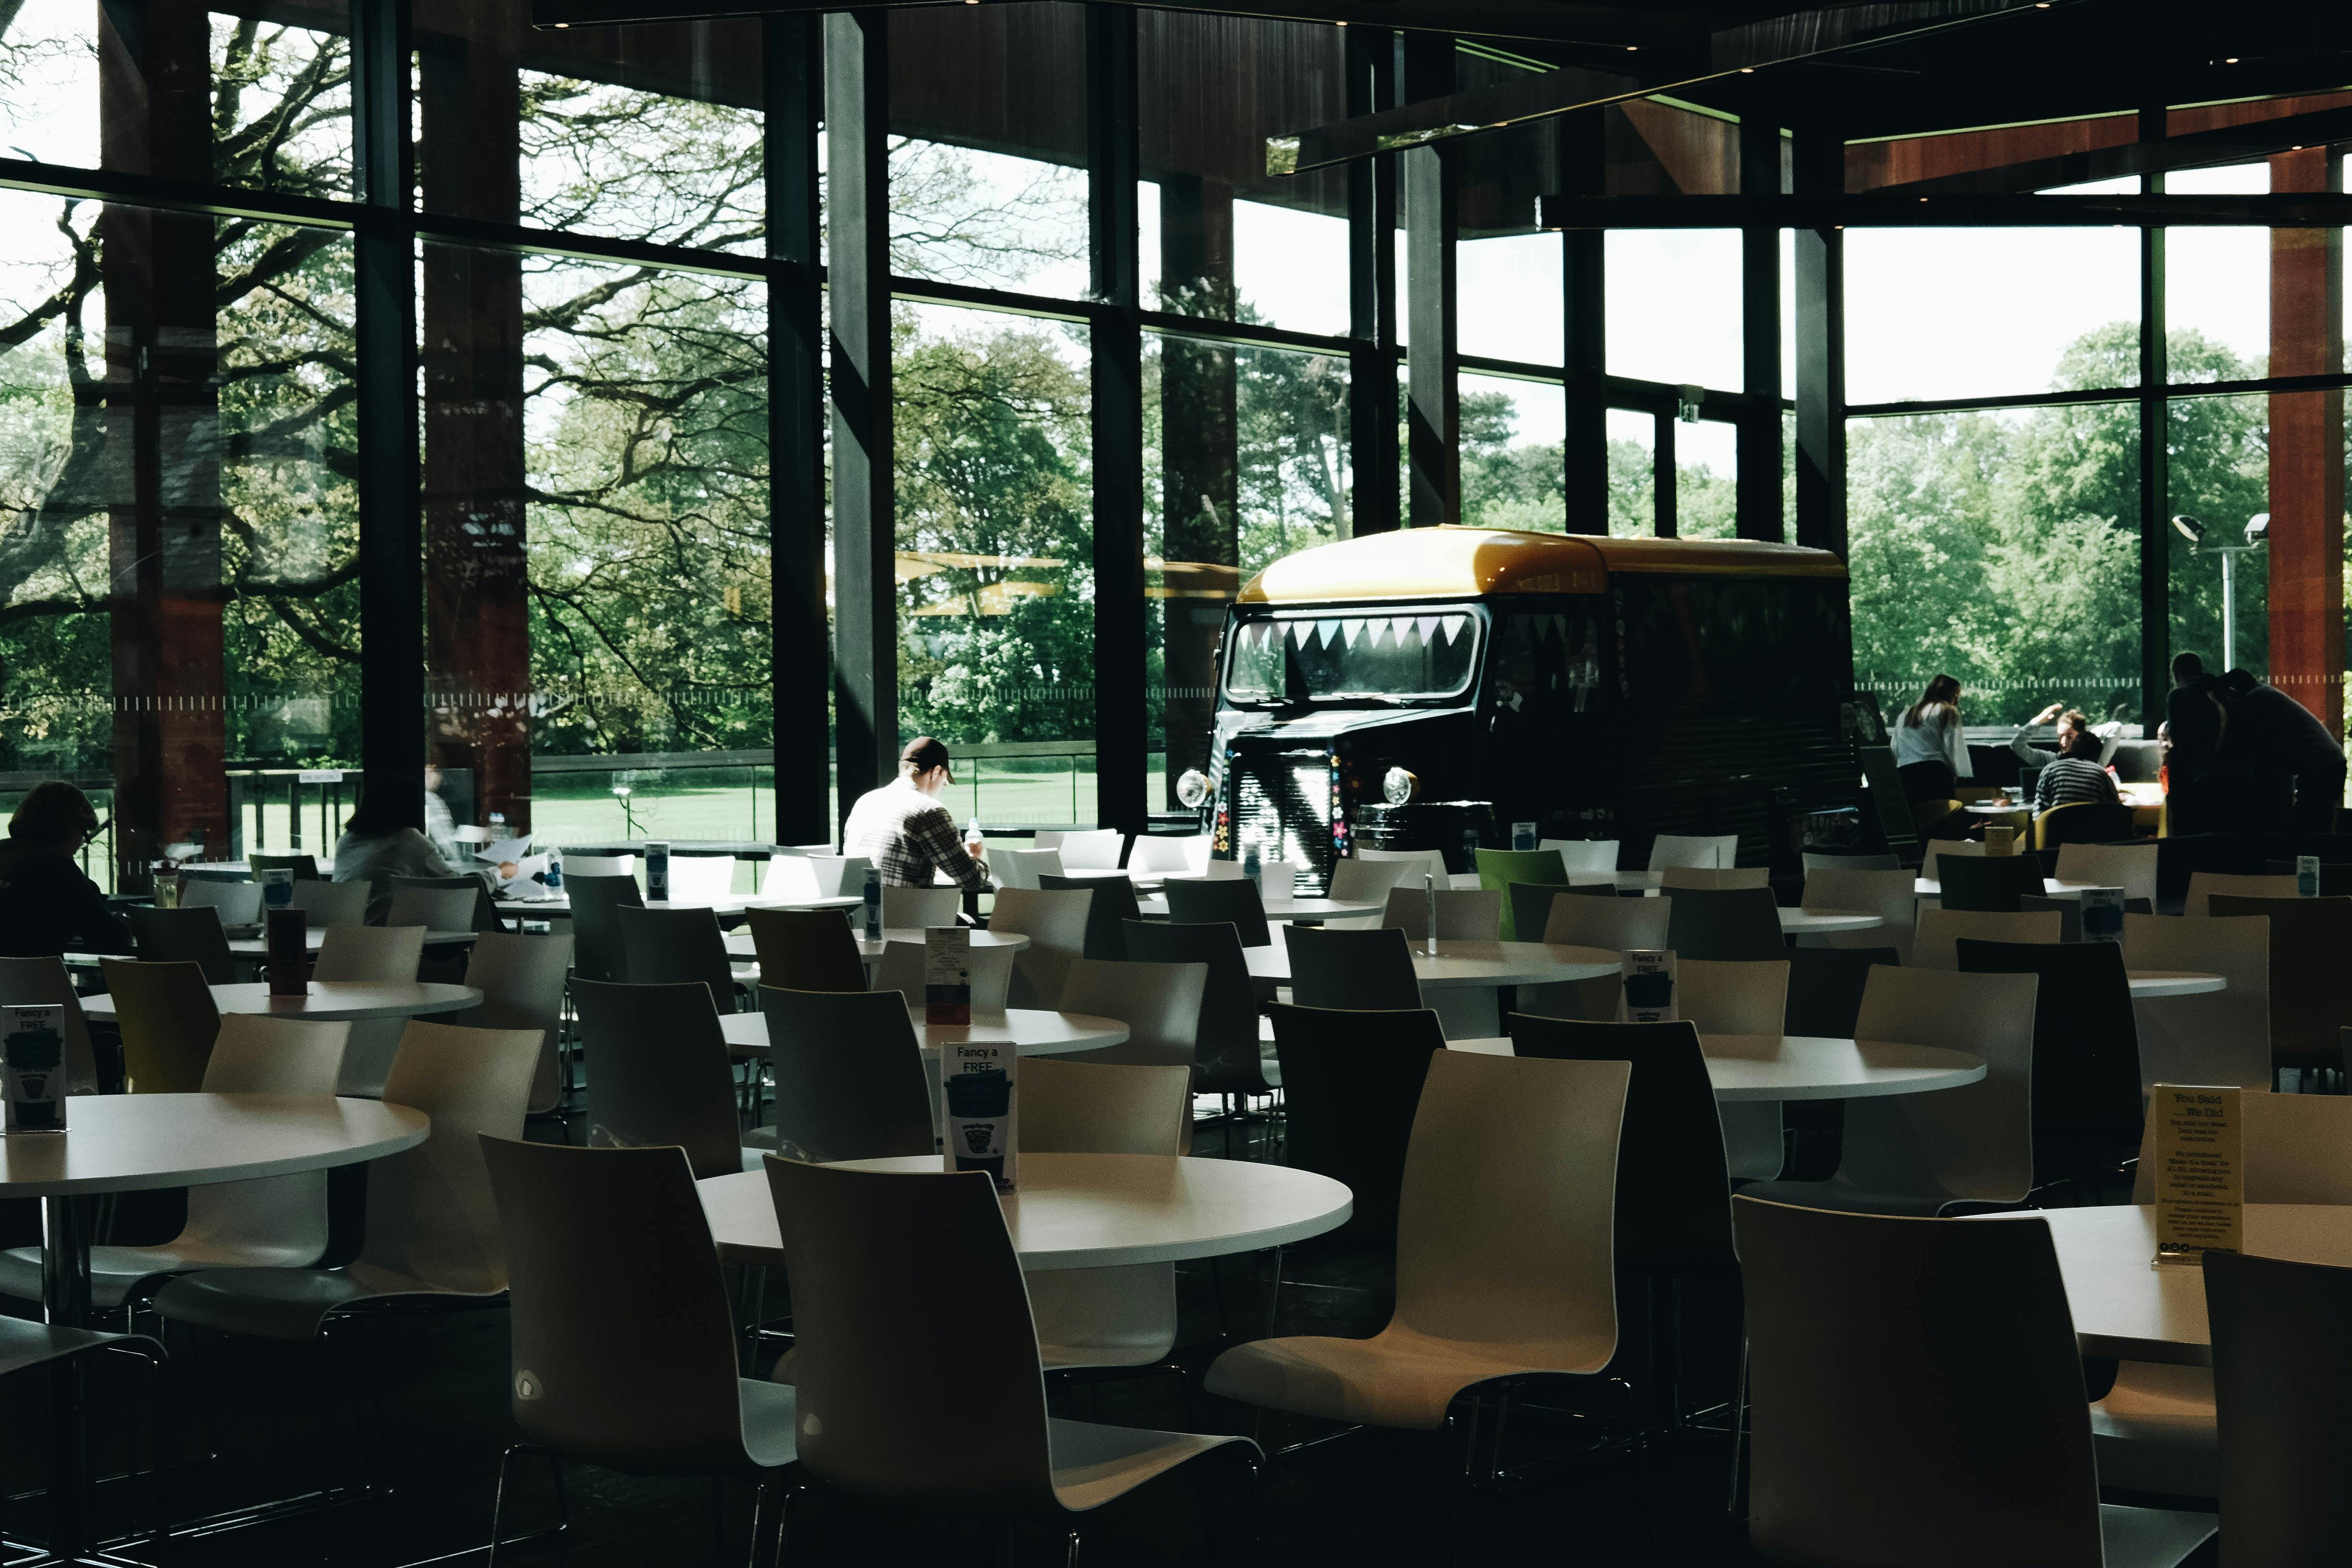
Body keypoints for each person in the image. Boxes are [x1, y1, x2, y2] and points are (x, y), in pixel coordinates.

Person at [333, 790, 510, 925]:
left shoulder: (346, 841)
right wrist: (497, 873)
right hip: (394, 936)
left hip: (345, 934)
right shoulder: (406, 839)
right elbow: (459, 885)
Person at [0, 783, 132, 959]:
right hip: (41, 984)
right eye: (83, 833)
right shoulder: (58, 869)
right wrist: (125, 923)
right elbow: (111, 940)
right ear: (70, 829)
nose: (80, 844)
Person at [841, 737, 991, 892]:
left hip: (859, 912)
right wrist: (976, 859)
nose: (941, 788)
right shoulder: (929, 810)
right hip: (906, 913)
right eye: (944, 782)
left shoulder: (865, 802)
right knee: (970, 918)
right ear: (937, 771)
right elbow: (972, 880)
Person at [2216, 668, 2345, 832]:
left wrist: (2220, 697)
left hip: (2322, 767)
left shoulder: (2258, 696)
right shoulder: (2268, 694)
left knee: (2308, 827)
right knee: (2314, 822)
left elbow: (2241, 721)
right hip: (2328, 764)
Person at [2011, 704, 2120, 815]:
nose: (2063, 742)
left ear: (2080, 736)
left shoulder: (2097, 763)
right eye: (2060, 736)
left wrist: (2086, 739)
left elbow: (2115, 727)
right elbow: (2017, 745)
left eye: (2069, 736)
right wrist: (2038, 721)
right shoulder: (2049, 761)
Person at [1889, 675, 1969, 801]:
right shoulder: (1947, 711)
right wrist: (1956, 775)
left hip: (1906, 774)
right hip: (1935, 774)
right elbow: (1953, 747)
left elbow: (1895, 747)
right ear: (1946, 694)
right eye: (1955, 696)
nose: (1956, 702)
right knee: (1941, 817)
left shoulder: (1906, 714)